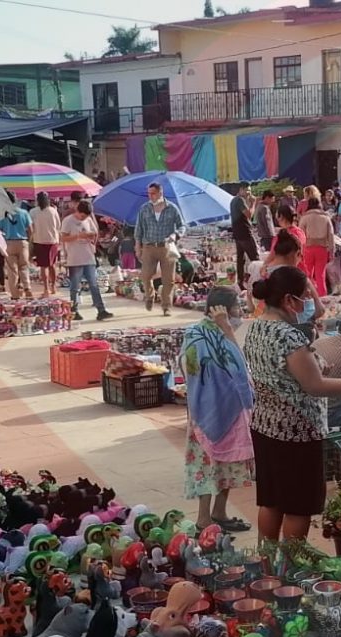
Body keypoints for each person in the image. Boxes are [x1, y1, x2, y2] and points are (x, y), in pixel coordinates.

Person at [244, 266, 341, 541]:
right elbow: (315, 385)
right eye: (305, 296)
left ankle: (267, 560)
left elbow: (284, 373)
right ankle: (291, 563)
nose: (308, 302)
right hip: (296, 432)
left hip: (265, 426)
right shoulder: (289, 336)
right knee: (298, 507)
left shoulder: (256, 326)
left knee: (271, 500)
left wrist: (315, 367)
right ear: (288, 300)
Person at [180, 286, 254, 532]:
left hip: (228, 410)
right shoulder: (201, 334)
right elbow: (238, 365)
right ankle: (204, 519)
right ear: (222, 309)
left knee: (226, 465)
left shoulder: (212, 332)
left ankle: (219, 512)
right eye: (237, 307)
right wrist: (227, 328)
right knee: (206, 465)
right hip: (208, 411)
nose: (240, 312)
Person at [135, 182, 184, 316]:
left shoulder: (172, 208)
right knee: (145, 275)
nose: (150, 196)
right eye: (149, 193)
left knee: (168, 279)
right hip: (149, 246)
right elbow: (139, 229)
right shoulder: (144, 208)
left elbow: (182, 226)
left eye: (153, 193)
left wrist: (175, 235)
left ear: (160, 193)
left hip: (166, 247)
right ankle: (150, 295)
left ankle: (166, 306)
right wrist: (137, 247)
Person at [60, 200, 113, 322]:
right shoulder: (68, 221)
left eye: (86, 216)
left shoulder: (88, 220)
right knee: (75, 286)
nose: (83, 218)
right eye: (82, 216)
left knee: (94, 285)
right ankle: (74, 310)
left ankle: (101, 310)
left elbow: (95, 233)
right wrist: (78, 236)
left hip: (88, 256)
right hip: (75, 258)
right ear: (78, 211)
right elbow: (63, 238)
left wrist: (91, 237)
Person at [298, 196, 337, 296]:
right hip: (322, 248)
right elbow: (331, 235)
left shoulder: (304, 217)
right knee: (321, 274)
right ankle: (322, 296)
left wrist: (299, 251)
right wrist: (332, 251)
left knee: (307, 274)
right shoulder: (326, 217)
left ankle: (309, 295)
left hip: (307, 248)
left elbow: (300, 235)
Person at [0, 194, 33, 300]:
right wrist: (28, 242)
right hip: (22, 242)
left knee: (12, 270)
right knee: (24, 267)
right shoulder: (24, 213)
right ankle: (27, 288)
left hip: (9, 243)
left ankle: (15, 295)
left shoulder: (1, 214)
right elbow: (31, 229)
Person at [28, 191, 61, 298]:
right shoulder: (53, 211)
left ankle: (46, 289)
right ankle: (53, 286)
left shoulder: (33, 212)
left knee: (43, 266)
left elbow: (30, 227)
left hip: (39, 240)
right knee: (52, 265)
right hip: (52, 241)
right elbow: (58, 226)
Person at [230, 184, 259, 292]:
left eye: (250, 191)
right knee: (255, 258)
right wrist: (254, 203)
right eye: (247, 190)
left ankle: (240, 282)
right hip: (245, 233)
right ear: (241, 189)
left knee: (240, 260)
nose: (249, 193)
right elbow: (249, 214)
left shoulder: (234, 200)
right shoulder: (240, 200)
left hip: (238, 233)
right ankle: (259, 282)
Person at [254, 189, 278, 254]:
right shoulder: (264, 208)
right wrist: (273, 235)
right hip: (267, 237)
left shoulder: (259, 206)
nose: (272, 201)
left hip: (262, 235)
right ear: (267, 198)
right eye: (272, 199)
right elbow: (268, 224)